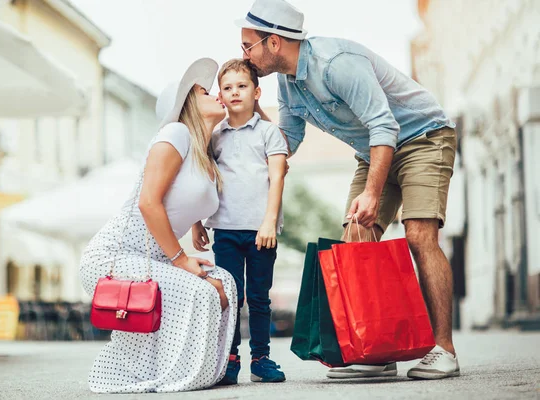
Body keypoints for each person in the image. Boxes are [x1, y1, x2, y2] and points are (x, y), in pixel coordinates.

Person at [236, 0, 460, 380]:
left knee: (420, 235)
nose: (243, 54)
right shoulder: (288, 82)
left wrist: (372, 194)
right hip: (372, 150)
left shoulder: (336, 64)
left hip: (423, 138)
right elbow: (287, 138)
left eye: (247, 45)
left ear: (273, 42)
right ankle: (378, 350)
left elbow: (384, 126)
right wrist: (247, 160)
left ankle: (444, 350)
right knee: (354, 241)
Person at [79, 58, 238, 393]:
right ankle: (171, 375)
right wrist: (181, 259)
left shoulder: (202, 153)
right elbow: (148, 202)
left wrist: (196, 224)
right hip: (114, 256)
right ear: (188, 104)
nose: (217, 95)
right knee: (202, 289)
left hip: (154, 257)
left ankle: (200, 371)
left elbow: (182, 194)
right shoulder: (175, 133)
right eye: (205, 91)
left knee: (225, 282)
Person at [192, 59, 288, 384]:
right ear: (220, 94)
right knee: (231, 297)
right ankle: (229, 360)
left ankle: (261, 359)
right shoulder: (215, 136)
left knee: (259, 297)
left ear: (256, 91)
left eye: (242, 86)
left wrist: (269, 222)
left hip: (262, 231)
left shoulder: (269, 132)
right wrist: (196, 223)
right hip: (226, 230)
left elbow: (277, 178)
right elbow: (201, 180)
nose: (235, 92)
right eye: (228, 87)